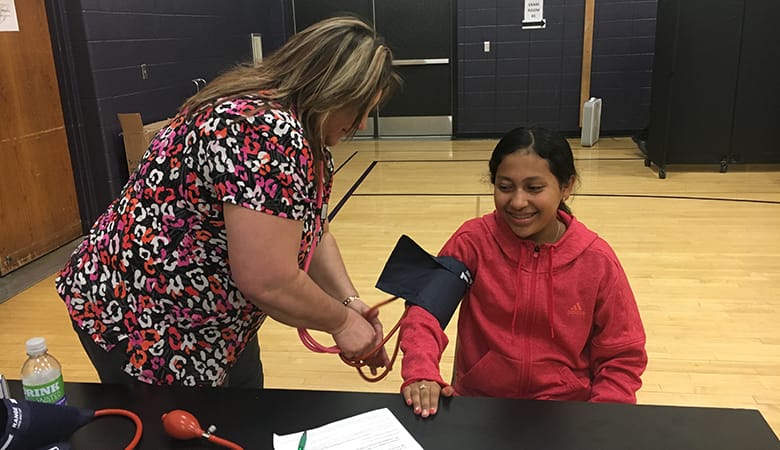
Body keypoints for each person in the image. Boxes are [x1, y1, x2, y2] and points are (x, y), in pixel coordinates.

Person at [55, 16, 401, 388]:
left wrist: (349, 303)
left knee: (242, 415)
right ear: (332, 91)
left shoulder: (306, 138)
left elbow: (316, 235)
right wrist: (341, 322)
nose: (363, 123)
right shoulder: (263, 131)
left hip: (212, 324)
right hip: (143, 318)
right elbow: (268, 280)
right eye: (359, 109)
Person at [399, 126, 648, 417]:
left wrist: (602, 416)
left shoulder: (597, 260)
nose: (517, 202)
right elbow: (424, 314)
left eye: (534, 188)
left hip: (566, 413)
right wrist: (421, 370)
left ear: (566, 186)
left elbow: (622, 354)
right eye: (505, 187)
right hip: (481, 407)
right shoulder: (472, 242)